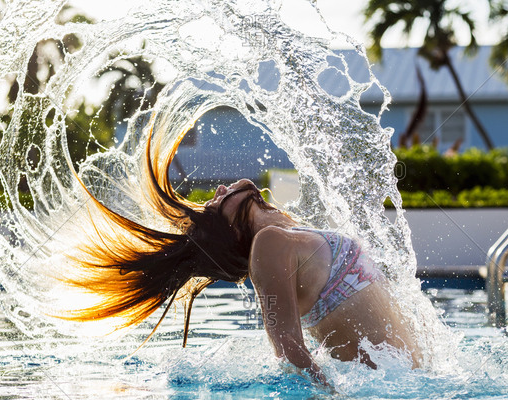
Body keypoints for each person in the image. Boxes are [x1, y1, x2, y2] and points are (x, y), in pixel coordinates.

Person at [59, 121, 421, 386]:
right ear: (230, 230)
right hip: (386, 394)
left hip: (406, 387)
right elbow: (288, 347)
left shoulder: (286, 233)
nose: (218, 189)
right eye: (215, 204)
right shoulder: (269, 245)